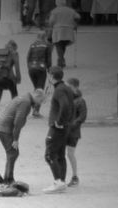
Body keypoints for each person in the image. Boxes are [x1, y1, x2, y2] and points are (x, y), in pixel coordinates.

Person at [0, 89, 45, 184]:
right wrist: (15, 139)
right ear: (37, 96)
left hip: (3, 127)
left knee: (12, 153)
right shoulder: (25, 102)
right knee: (13, 153)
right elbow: (18, 122)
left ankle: (8, 178)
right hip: (5, 129)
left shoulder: (24, 97)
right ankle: (8, 179)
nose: (40, 104)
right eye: (41, 101)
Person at [43, 66, 75, 194]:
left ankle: (58, 182)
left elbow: (65, 105)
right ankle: (61, 181)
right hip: (65, 127)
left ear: (51, 76)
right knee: (60, 155)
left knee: (49, 155)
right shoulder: (66, 88)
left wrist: (59, 122)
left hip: (57, 128)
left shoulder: (59, 90)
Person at [0, 40, 22, 121]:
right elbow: (17, 67)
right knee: (14, 95)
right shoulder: (14, 53)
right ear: (14, 47)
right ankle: (14, 113)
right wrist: (18, 78)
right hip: (9, 78)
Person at [26, 29, 53, 119]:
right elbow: (48, 59)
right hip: (41, 69)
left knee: (36, 89)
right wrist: (49, 69)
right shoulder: (47, 45)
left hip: (31, 69)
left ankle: (34, 107)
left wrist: (29, 67)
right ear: (44, 36)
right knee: (40, 90)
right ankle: (36, 110)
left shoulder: (32, 45)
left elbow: (28, 57)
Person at [65, 77, 86, 187]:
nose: (67, 88)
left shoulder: (80, 101)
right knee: (63, 154)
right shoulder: (67, 98)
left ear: (75, 87)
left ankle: (74, 176)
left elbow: (82, 117)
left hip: (73, 132)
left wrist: (71, 125)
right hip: (64, 130)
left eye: (69, 86)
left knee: (70, 154)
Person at [47, 0, 78, 70]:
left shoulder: (54, 11)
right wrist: (74, 23)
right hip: (68, 30)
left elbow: (51, 22)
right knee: (63, 45)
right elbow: (78, 17)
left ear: (57, 3)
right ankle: (62, 60)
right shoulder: (70, 10)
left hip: (58, 31)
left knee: (58, 45)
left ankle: (60, 62)